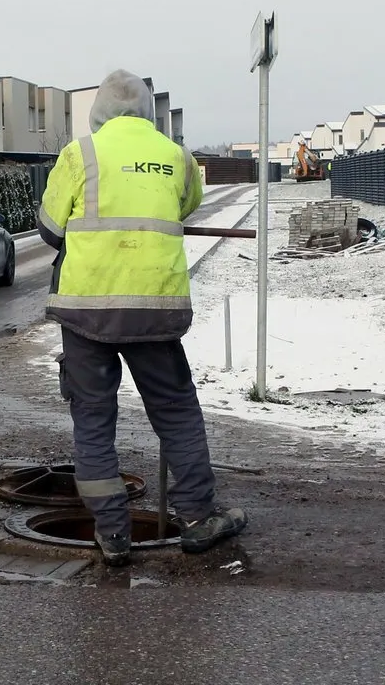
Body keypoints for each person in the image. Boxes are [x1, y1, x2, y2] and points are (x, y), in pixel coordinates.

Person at [38, 70, 247, 566]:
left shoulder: (79, 154)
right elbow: (188, 205)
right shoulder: (175, 157)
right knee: (175, 412)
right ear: (149, 112)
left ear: (98, 112)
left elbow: (48, 228)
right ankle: (198, 516)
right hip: (155, 310)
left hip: (87, 310)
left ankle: (111, 533)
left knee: (92, 419)